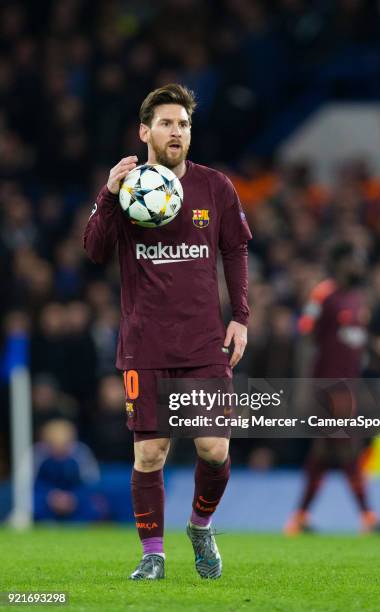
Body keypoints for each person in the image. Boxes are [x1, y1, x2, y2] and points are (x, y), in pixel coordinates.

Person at [83, 84, 252, 580]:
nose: (176, 132)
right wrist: (108, 194)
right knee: (151, 453)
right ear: (145, 131)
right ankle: (152, 555)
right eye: (166, 123)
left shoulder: (215, 187)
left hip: (203, 341)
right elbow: (93, 252)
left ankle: (201, 526)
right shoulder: (127, 189)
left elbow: (235, 251)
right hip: (145, 341)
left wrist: (240, 315)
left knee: (214, 449)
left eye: (183, 124)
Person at [285, 242, 380, 535]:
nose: (359, 265)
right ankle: (369, 518)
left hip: (349, 385)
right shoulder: (324, 294)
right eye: (353, 260)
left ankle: (299, 517)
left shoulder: (358, 299)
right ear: (340, 263)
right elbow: (306, 339)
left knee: (323, 453)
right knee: (347, 447)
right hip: (329, 386)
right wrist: (303, 386)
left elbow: (359, 340)